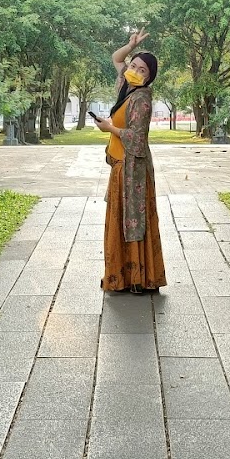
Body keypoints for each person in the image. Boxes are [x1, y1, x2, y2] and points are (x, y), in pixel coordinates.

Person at [93, 30, 167, 294]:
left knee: (133, 222)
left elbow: (137, 139)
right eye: (133, 66)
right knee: (120, 221)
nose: (135, 71)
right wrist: (132, 45)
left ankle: (139, 279)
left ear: (150, 76)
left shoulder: (142, 99)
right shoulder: (126, 89)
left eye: (142, 70)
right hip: (119, 167)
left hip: (132, 170)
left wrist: (109, 129)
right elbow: (116, 58)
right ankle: (122, 277)